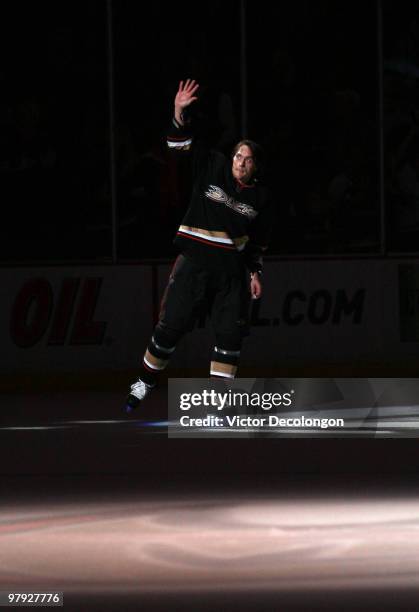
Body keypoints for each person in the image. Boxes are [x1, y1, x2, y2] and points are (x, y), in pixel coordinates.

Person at [125, 79, 274, 411]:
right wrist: (178, 114)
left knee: (230, 339)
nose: (240, 161)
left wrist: (254, 273)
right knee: (169, 328)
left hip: (231, 275)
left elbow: (257, 245)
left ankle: (217, 405)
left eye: (248, 159)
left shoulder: (261, 199)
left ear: (256, 167)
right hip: (194, 264)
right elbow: (177, 147)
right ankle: (143, 383)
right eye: (238, 155)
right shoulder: (213, 166)